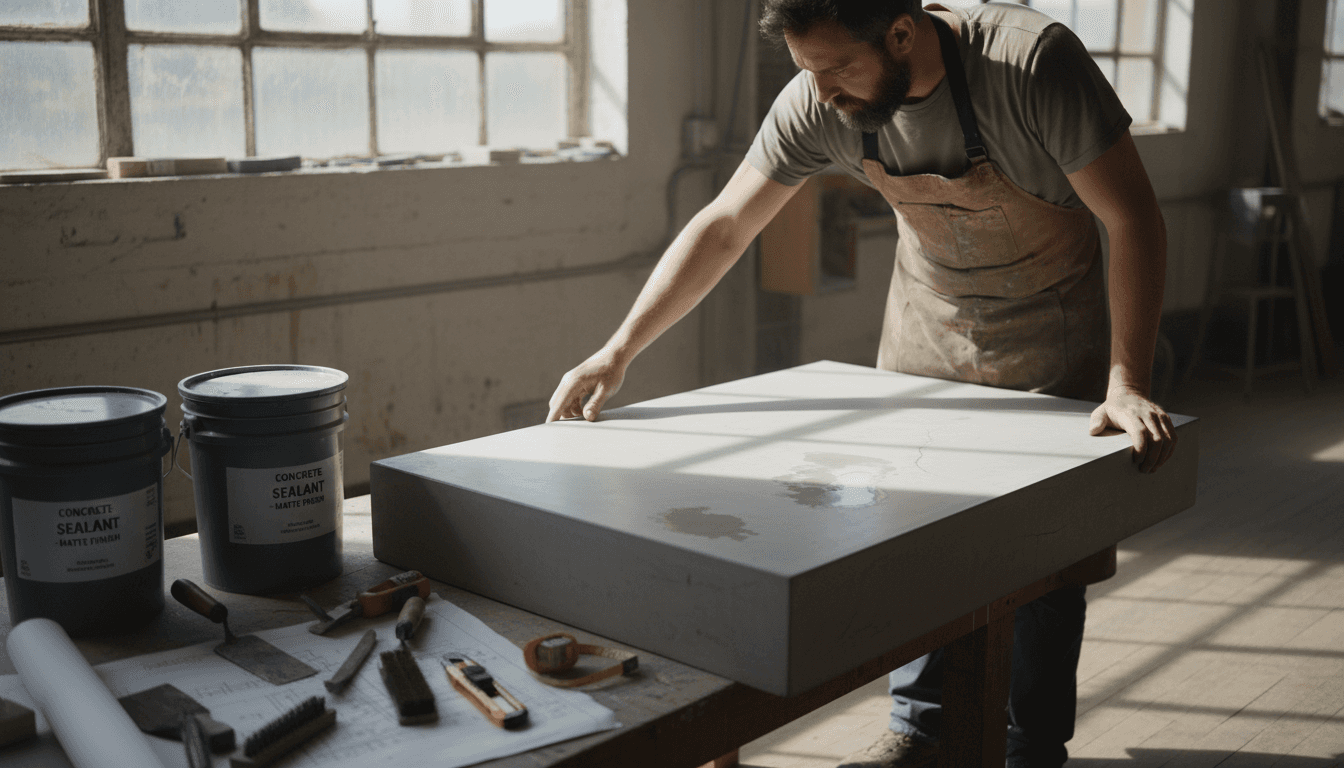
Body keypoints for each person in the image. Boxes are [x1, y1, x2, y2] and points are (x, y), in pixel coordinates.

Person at [548, 2, 1178, 765]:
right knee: (916, 524)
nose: (819, 92)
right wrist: (618, 351)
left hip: (1050, 329)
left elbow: (1133, 215)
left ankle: (1031, 743)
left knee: (1043, 547)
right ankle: (921, 730)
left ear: (902, 35)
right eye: (804, 69)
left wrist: (1126, 378)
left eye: (835, 67)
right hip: (929, 324)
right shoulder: (819, 97)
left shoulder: (1032, 65)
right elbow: (725, 226)